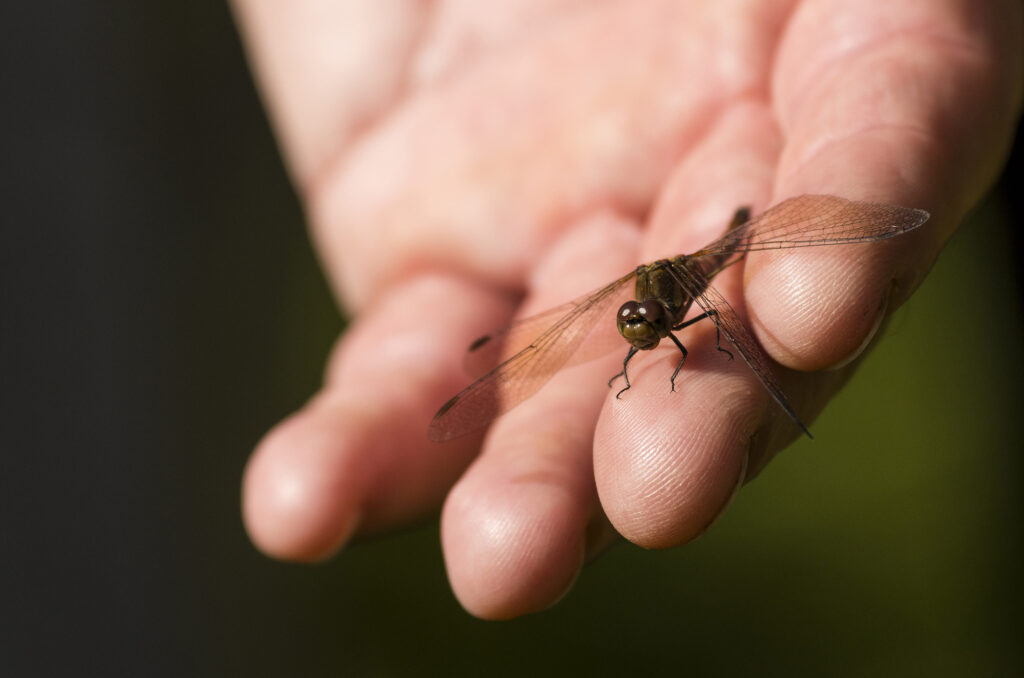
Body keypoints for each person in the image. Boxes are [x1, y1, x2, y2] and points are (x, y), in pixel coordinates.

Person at [230, 1, 1023, 619]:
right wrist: (639, 348)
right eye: (635, 326)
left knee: (807, 306)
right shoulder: (638, 319)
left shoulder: (684, 306)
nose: (635, 331)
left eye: (641, 326)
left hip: (727, 240)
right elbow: (624, 341)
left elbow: (700, 338)